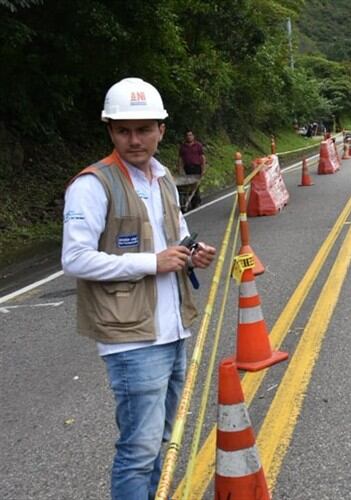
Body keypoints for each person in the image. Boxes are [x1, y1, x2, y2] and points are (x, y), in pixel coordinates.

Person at [61, 77, 217, 499]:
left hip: (173, 329)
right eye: (124, 130)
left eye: (144, 129)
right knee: (139, 448)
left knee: (165, 443)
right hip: (131, 339)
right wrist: (153, 262)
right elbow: (74, 259)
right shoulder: (93, 185)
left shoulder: (163, 177)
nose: (135, 139)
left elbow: (177, 236)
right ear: (110, 130)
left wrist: (193, 251)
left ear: (161, 130)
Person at [177, 129, 206, 210]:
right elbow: (180, 159)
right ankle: (193, 201)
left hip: (196, 167)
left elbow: (203, 157)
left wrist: (203, 168)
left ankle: (196, 201)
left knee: (196, 185)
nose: (189, 137)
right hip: (188, 167)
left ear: (193, 136)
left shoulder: (198, 145)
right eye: (187, 135)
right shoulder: (183, 147)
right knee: (189, 186)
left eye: (190, 135)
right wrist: (180, 169)